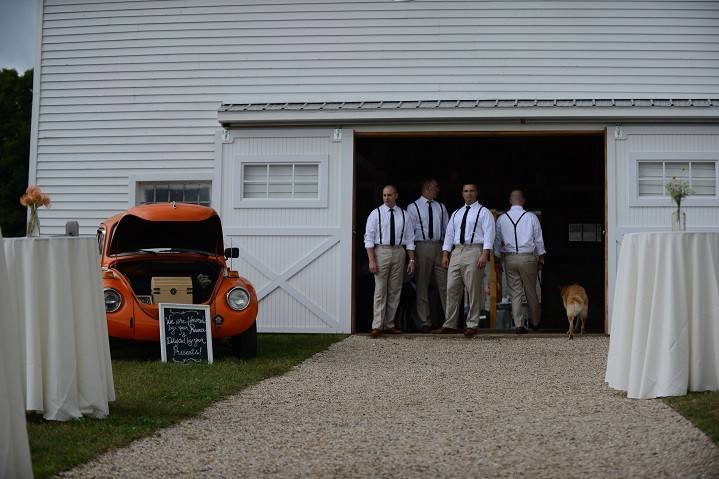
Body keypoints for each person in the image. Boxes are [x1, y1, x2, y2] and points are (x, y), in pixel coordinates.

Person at [432, 184, 495, 338]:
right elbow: (449, 234)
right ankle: (450, 323)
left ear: (476, 193)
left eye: (472, 191)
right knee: (452, 287)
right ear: (462, 194)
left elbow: (489, 234)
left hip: (474, 249)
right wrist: (446, 254)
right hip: (457, 250)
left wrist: (484, 254)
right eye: (466, 191)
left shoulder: (484, 212)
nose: (469, 194)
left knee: (473, 288)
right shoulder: (457, 213)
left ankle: (472, 324)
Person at [364, 185, 416, 338]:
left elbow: (410, 239)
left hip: (399, 251)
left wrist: (411, 259)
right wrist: (372, 260)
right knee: (380, 289)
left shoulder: (404, 215)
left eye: (389, 195)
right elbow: (368, 239)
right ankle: (377, 325)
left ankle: (390, 324)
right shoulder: (376, 214)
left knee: (395, 289)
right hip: (382, 251)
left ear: (396, 196)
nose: (387, 198)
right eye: (384, 195)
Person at [494, 189, 546, 334]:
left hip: (510, 257)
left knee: (515, 292)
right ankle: (535, 322)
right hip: (527, 257)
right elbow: (538, 239)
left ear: (510, 201)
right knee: (531, 291)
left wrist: (497, 259)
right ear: (523, 201)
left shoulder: (502, 219)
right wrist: (541, 257)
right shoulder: (531, 217)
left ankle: (519, 324)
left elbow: (497, 241)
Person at [407, 179, 449, 332]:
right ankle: (424, 322)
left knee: (445, 285)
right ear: (427, 188)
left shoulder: (441, 207)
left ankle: (449, 321)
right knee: (422, 285)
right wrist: (412, 256)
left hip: (439, 246)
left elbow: (447, 230)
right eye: (436, 187)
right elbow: (409, 233)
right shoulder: (413, 207)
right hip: (421, 246)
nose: (438, 190)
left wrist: (446, 251)